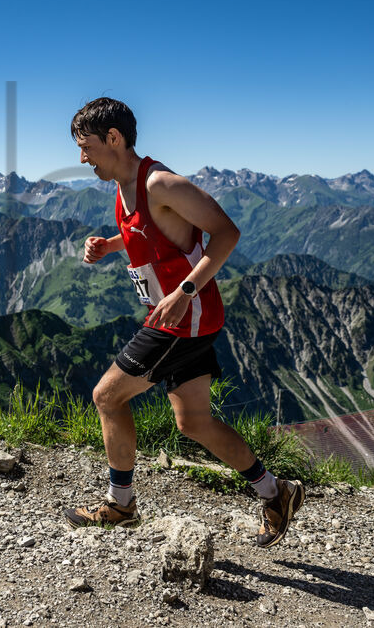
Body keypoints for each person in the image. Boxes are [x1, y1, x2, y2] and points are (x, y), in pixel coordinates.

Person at [61, 97, 304, 548]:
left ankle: (120, 505)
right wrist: (111, 245)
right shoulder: (123, 185)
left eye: (85, 146)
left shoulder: (161, 183)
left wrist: (185, 291)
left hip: (182, 319)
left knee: (107, 397)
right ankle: (276, 492)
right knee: (193, 422)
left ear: (113, 139)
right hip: (183, 317)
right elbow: (153, 235)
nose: (81, 158)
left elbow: (226, 232)